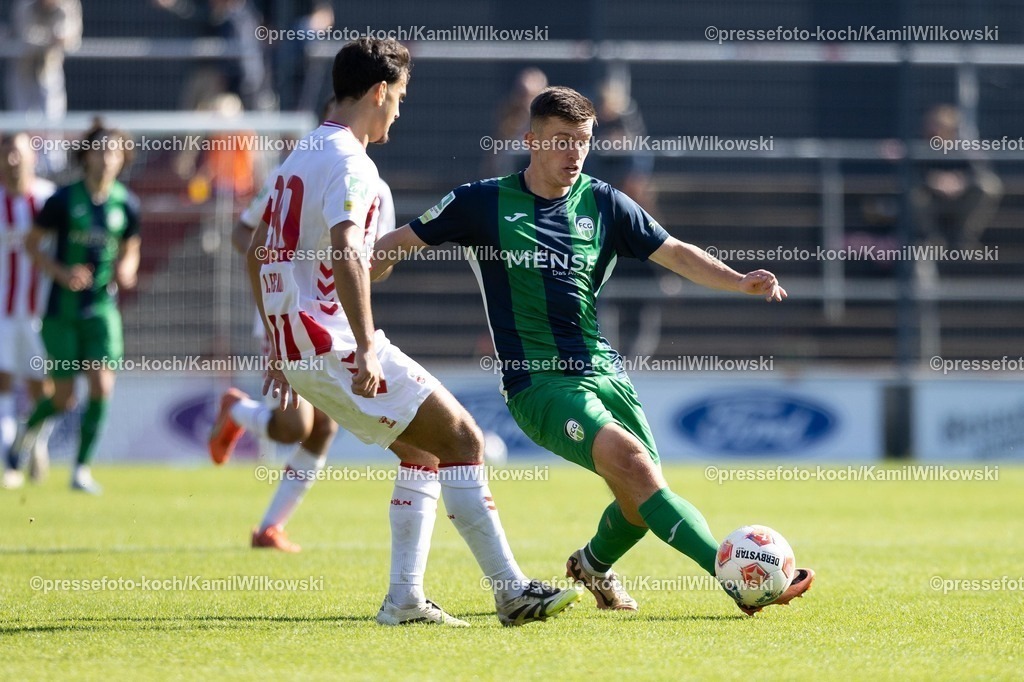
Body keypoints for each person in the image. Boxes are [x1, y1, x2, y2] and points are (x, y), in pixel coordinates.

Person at [374, 86, 815, 616]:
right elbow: (391, 246)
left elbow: (673, 251)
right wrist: (344, 286)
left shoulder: (602, 202)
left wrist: (739, 280)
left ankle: (592, 566)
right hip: (539, 384)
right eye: (561, 141)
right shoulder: (480, 202)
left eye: (582, 141)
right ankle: (737, 581)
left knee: (639, 502)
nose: (574, 153)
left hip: (603, 371)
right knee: (636, 468)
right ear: (531, 140)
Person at [245, 38, 580, 627]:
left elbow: (255, 249)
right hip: (335, 343)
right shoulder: (350, 162)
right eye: (398, 97)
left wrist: (279, 341)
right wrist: (367, 340)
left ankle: (404, 600)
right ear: (378, 92)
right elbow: (350, 250)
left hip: (301, 347)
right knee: (464, 439)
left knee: (424, 453)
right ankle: (510, 591)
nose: (399, 110)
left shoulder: (299, 156)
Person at [208, 154, 396, 554]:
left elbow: (378, 262)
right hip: (287, 322)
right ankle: (238, 412)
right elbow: (245, 235)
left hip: (335, 329)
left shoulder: (376, 187)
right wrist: (282, 272)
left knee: (324, 427)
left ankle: (268, 529)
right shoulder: (293, 174)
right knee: (294, 426)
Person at [9, 121, 142, 495]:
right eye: (101, 150)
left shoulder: (126, 204)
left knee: (101, 385)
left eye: (114, 152)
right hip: (61, 313)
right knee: (64, 397)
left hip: (102, 309)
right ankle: (24, 431)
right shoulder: (63, 201)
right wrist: (62, 272)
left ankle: (81, 469)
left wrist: (127, 269)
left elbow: (131, 247)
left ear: (122, 159)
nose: (107, 158)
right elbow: (33, 245)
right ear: (86, 156)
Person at [0, 132, 56, 489]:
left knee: (44, 390)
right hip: (2, 315)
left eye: (18, 153)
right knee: (2, 384)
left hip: (41, 314)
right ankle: (9, 463)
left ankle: (34, 444)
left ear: (32, 157)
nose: (12, 160)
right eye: (5, 154)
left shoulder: (49, 199)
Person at [913, 104, 1002, 250]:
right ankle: (932, 239)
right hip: (932, 202)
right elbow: (911, 174)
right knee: (914, 194)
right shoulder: (919, 147)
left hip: (961, 201)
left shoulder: (966, 147)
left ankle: (964, 238)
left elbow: (981, 172)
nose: (935, 131)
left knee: (990, 186)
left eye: (941, 127)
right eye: (932, 126)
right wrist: (933, 180)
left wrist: (960, 181)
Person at [5, 0, 82, 120]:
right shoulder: (25, 5)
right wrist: (50, 39)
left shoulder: (67, 5)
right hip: (22, 67)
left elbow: (70, 40)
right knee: (20, 117)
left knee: (53, 116)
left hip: (50, 65)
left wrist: (55, 39)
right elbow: (25, 36)